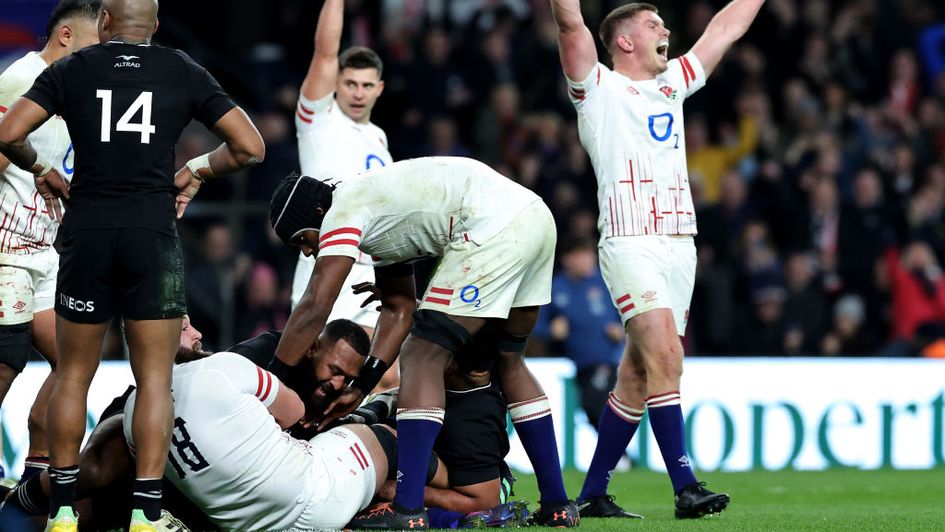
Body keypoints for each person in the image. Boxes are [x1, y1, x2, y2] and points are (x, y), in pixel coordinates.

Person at [0, 0, 265, 529]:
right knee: (154, 381)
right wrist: (195, 169)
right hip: (152, 236)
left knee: (74, 373)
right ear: (158, 26)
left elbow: (8, 135)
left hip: (86, 235)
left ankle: (65, 509)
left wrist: (44, 168)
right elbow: (250, 148)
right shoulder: (181, 68)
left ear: (104, 24)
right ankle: (147, 514)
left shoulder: (72, 69)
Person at [268, 156, 577, 529]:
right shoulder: (378, 209)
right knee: (508, 360)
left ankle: (408, 510)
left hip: (489, 226)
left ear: (317, 212)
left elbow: (317, 302)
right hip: (534, 217)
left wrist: (274, 383)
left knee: (421, 355)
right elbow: (400, 308)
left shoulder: (340, 210)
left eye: (302, 238)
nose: (305, 251)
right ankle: (558, 505)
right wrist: (363, 386)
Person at [549, 0, 765, 519]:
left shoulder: (674, 82)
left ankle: (594, 493)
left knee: (639, 377)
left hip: (679, 244)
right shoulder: (598, 88)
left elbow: (726, 28)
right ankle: (685, 485)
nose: (666, 28)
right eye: (652, 24)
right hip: (630, 240)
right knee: (668, 355)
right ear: (624, 41)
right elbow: (569, 22)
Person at [0, 0, 101, 484]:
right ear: (65, 36)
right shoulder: (21, 81)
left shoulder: (69, 91)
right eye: (91, 46)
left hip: (45, 252)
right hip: (8, 254)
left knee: (74, 360)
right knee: (5, 364)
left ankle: (37, 472)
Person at [291, 0, 392, 328]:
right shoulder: (319, 119)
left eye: (366, 86)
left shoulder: (379, 137)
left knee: (381, 373)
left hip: (370, 272)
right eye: (350, 84)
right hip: (325, 262)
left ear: (379, 89)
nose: (358, 93)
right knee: (314, 370)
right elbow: (325, 52)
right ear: (336, 84)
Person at [535, 236, 627, 433]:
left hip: (607, 359)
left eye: (589, 256)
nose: (588, 261)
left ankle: (621, 456)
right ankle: (620, 456)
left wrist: (623, 331)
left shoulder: (606, 283)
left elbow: (631, 314)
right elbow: (535, 324)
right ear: (568, 259)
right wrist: (551, 331)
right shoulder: (556, 286)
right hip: (576, 362)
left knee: (595, 403)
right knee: (590, 407)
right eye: (582, 256)